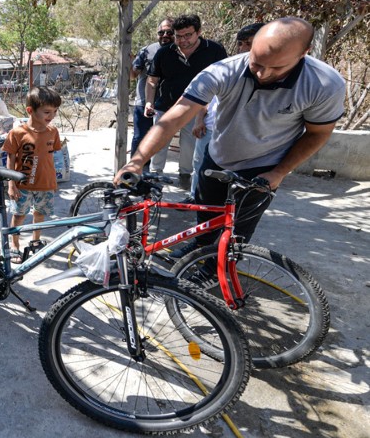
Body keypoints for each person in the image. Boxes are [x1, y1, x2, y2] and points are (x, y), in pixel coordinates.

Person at [116, 17, 346, 258]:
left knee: (236, 232)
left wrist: (279, 172)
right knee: (206, 215)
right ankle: (200, 247)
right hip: (217, 155)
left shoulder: (324, 84)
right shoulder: (224, 70)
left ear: (304, 53)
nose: (262, 73)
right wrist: (137, 161)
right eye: (256, 62)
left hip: (264, 167)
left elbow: (318, 133)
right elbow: (174, 118)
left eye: (276, 68)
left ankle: (214, 272)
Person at [185, 23, 266, 203]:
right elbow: (206, 99)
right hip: (210, 127)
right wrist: (199, 120)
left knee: (231, 174)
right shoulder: (226, 69)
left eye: (248, 43)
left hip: (236, 134)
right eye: (240, 43)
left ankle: (227, 208)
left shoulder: (267, 75)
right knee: (199, 164)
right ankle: (194, 198)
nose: (242, 48)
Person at [145, 14, 227, 187]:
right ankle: (155, 176)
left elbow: (221, 83)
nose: (182, 40)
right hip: (165, 108)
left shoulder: (214, 50)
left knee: (189, 146)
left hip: (197, 110)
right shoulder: (164, 52)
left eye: (188, 35)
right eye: (178, 36)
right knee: (158, 143)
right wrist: (148, 102)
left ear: (199, 32)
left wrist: (204, 113)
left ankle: (185, 176)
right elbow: (152, 80)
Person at [2, 87, 62, 263]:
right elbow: (10, 159)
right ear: (30, 110)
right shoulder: (17, 133)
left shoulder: (53, 132)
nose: (52, 115)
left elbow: (51, 157)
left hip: (45, 184)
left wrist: (53, 182)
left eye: (55, 111)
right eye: (47, 112)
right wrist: (11, 184)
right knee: (19, 215)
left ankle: (35, 241)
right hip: (23, 186)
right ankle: (14, 245)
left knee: (40, 214)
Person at [130, 18, 173, 170]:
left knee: (159, 139)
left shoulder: (181, 51)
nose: (165, 35)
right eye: (161, 32)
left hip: (168, 105)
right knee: (140, 137)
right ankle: (136, 168)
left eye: (169, 32)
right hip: (143, 102)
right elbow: (132, 75)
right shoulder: (147, 50)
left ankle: (155, 170)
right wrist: (128, 61)